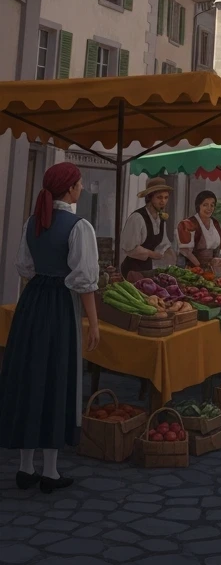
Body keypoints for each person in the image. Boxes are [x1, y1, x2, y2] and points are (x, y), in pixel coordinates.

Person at [0, 162, 100, 492]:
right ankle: (51, 472)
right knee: (56, 378)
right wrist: (93, 322)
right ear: (70, 189)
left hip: (32, 304)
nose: (82, 189)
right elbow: (84, 282)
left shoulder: (33, 223)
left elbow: (25, 268)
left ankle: (27, 468)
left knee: (31, 377)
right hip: (59, 305)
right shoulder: (78, 226)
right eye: (79, 184)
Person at [119, 176, 174, 277]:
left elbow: (164, 244)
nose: (163, 202)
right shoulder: (137, 218)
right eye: (159, 197)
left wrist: (172, 261)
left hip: (148, 269)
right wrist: (152, 254)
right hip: (132, 271)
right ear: (150, 197)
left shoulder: (160, 219)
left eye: (166, 197)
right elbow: (129, 248)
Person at [177, 190, 221, 270]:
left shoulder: (215, 223)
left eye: (212, 205)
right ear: (198, 206)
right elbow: (186, 252)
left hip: (209, 269)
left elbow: (217, 250)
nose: (209, 208)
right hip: (192, 269)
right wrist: (199, 267)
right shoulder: (188, 224)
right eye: (205, 205)